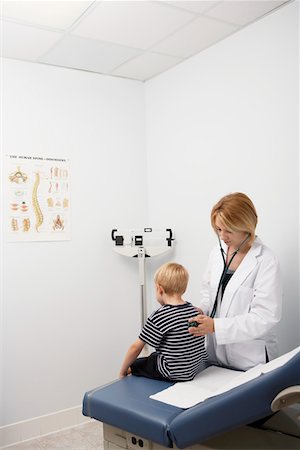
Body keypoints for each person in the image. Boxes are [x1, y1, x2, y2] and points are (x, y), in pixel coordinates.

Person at [189, 192, 282, 371]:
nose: (223, 236)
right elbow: (208, 293)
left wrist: (216, 326)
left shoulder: (266, 261)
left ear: (246, 226)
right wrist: (201, 310)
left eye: (228, 230)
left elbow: (264, 318)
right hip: (214, 356)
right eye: (218, 229)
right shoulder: (217, 253)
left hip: (250, 359)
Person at [119, 262, 208, 381]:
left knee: (138, 363)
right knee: (155, 356)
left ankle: (128, 373)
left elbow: (135, 347)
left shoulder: (160, 316)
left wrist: (122, 372)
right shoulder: (195, 311)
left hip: (172, 371)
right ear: (184, 289)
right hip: (194, 368)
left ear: (159, 289)